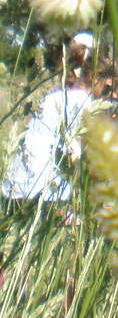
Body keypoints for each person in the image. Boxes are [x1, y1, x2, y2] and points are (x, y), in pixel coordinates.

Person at [2, 35, 97, 204]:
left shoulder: (55, 94)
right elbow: (76, 147)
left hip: (20, 178)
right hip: (47, 182)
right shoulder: (82, 100)